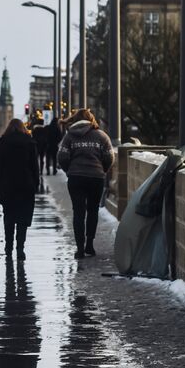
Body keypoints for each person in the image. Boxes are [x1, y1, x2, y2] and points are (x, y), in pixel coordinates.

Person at [56, 108, 115, 258]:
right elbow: (110, 157)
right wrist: (103, 169)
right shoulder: (102, 136)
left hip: (76, 178)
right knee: (93, 210)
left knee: (78, 212)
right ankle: (89, 244)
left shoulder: (69, 137)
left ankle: (79, 248)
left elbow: (61, 156)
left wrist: (70, 170)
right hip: (96, 177)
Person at [0, 118, 40, 257]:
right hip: (26, 185)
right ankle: (20, 249)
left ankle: (8, 248)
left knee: (9, 216)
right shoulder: (30, 142)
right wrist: (36, 183)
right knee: (23, 218)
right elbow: (34, 167)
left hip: (8, 186)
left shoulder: (3, 142)